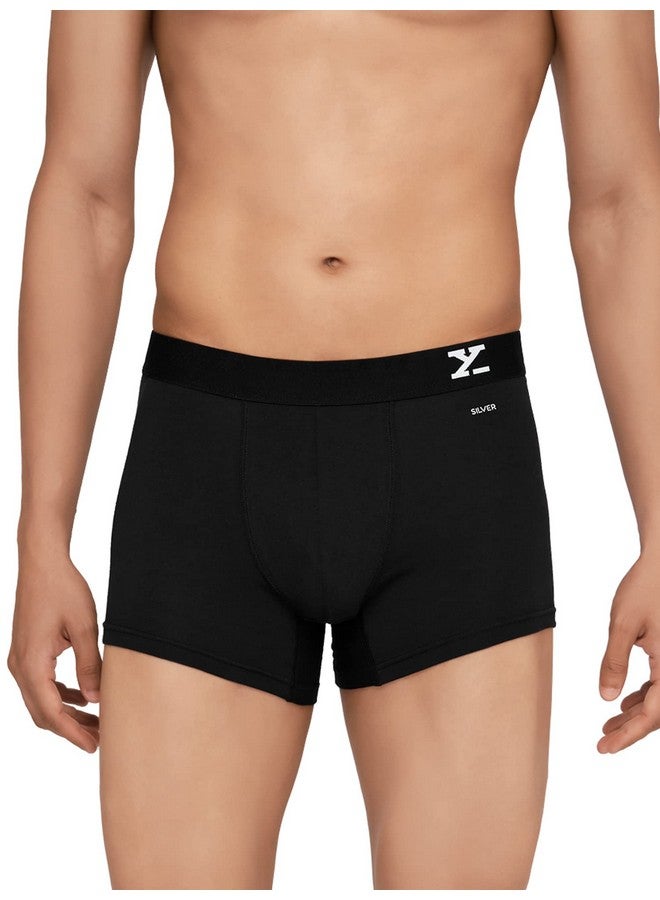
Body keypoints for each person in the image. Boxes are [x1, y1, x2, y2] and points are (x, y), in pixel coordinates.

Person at [7, 9, 660, 891]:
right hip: (203, 457)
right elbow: (84, 195)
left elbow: (622, 202)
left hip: (455, 453)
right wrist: (41, 534)